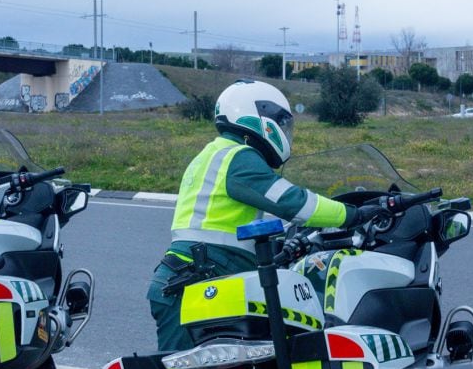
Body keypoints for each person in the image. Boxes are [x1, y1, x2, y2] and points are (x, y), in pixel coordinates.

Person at [147, 79, 380, 352]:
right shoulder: (238, 157)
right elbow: (293, 203)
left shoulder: (213, 154)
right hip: (197, 281)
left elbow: (265, 217)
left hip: (195, 276)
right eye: (280, 123)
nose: (284, 131)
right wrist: (354, 215)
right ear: (259, 118)